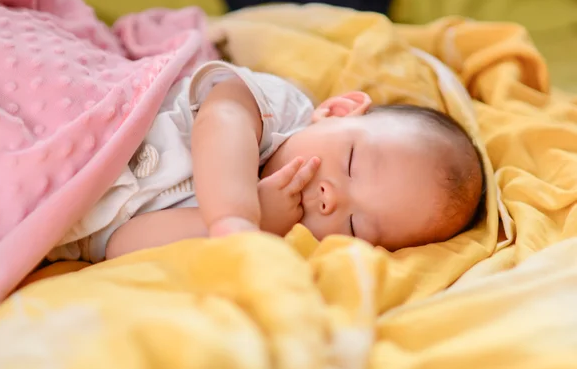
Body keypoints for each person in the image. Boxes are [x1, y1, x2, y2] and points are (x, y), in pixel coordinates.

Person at [48, 61, 484, 262]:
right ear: (337, 111)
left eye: (355, 226)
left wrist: (248, 228)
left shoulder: (278, 243)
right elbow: (222, 115)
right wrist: (237, 214)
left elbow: (119, 242)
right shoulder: (276, 111)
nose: (332, 197)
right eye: (350, 163)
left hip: (51, 199)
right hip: (81, 112)